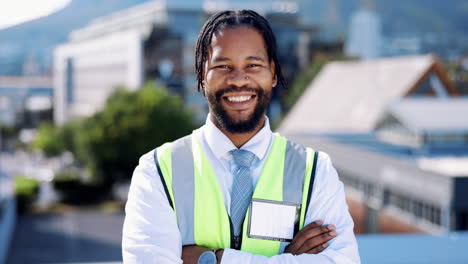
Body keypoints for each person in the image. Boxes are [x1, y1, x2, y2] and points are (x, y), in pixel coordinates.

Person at [122, 10, 360, 264]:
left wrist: (216, 259)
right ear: (202, 75)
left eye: (253, 65)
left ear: (274, 74)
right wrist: (288, 260)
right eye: (222, 66)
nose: (238, 80)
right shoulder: (157, 171)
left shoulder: (315, 171)